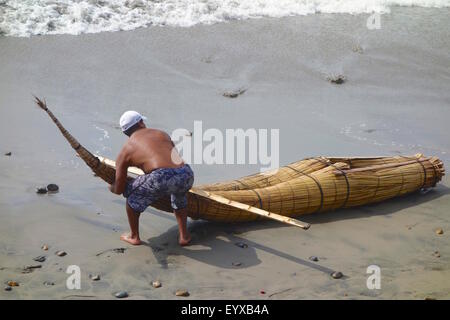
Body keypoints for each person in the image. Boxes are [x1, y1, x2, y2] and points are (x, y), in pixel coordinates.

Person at [109, 111, 194, 246]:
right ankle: (184, 236)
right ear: (141, 123)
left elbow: (119, 189)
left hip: (161, 178)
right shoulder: (161, 133)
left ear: (125, 132)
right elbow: (172, 160)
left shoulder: (125, 151)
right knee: (179, 196)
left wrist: (112, 187)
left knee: (131, 196)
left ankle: (134, 236)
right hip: (186, 173)